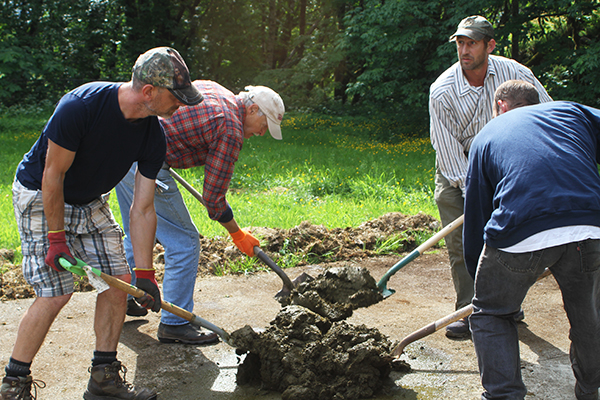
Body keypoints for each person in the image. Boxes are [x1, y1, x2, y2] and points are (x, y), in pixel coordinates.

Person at [1, 47, 203, 400]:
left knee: (119, 284)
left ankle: (103, 380)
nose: (181, 105)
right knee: (56, 293)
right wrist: (56, 238)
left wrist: (146, 273)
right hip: (41, 194)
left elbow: (142, 208)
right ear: (148, 91)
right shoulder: (81, 106)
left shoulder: (153, 135)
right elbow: (53, 175)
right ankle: (13, 384)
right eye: (176, 97)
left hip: (89, 200)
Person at [115, 80, 285, 344]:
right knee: (184, 242)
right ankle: (175, 324)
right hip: (148, 162)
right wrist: (237, 234)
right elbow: (213, 198)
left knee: (136, 233)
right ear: (252, 110)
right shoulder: (231, 129)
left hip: (124, 150)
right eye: (264, 127)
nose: (262, 134)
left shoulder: (216, 89)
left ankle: (126, 295)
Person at [464, 81, 600, 400]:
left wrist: (479, 279)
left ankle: (504, 396)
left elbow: (477, 217)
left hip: (520, 225)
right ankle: (591, 388)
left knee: (492, 313)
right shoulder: (570, 111)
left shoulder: (487, 136)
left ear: (501, 106)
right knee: (588, 312)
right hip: (590, 223)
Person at [428, 15, 552, 338]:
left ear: (490, 45)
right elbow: (450, 155)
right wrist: (480, 197)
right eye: (460, 43)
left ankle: (506, 305)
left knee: (511, 236)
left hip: (508, 163)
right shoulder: (442, 92)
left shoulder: (516, 74)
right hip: (461, 168)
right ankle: (470, 309)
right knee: (463, 236)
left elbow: (548, 113)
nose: (464, 50)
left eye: (471, 43)